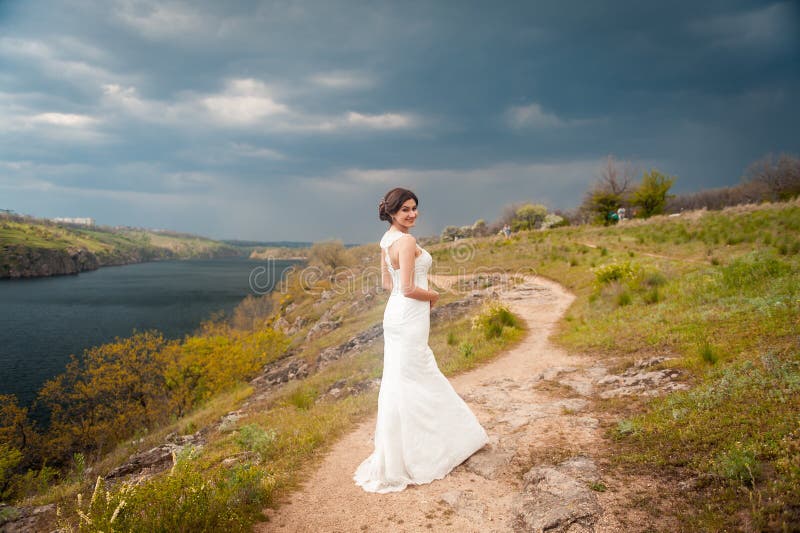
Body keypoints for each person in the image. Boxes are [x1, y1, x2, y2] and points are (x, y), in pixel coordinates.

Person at [353, 187, 489, 493]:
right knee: (419, 374)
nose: (412, 214)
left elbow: (388, 284)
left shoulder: (386, 241)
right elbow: (409, 287)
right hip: (410, 313)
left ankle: (406, 452)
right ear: (391, 212)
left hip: (398, 315)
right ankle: (431, 449)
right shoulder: (406, 240)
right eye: (406, 210)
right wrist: (434, 296)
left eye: (415, 208)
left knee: (403, 379)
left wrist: (409, 302)